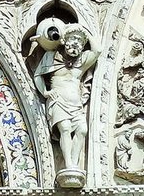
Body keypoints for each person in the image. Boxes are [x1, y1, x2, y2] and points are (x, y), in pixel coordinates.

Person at [32, 24, 100, 176]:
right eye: (72, 38)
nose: (75, 42)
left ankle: (74, 164)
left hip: (76, 103)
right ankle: (68, 162)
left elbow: (98, 50)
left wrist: (86, 32)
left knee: (82, 130)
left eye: (79, 41)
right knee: (65, 128)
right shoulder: (51, 56)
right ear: (64, 40)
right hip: (58, 100)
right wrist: (45, 92)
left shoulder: (81, 61)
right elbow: (38, 75)